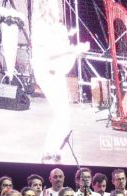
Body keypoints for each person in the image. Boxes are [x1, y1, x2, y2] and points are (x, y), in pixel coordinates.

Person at [31, 0, 89, 162]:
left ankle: (52, 150)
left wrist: (74, 51)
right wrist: (72, 50)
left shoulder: (55, 27)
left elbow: (60, 52)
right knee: (62, 114)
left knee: (64, 116)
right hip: (47, 72)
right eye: (55, 6)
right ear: (47, 8)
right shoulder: (41, 27)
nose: (59, 10)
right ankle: (49, 150)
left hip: (54, 71)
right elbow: (49, 54)